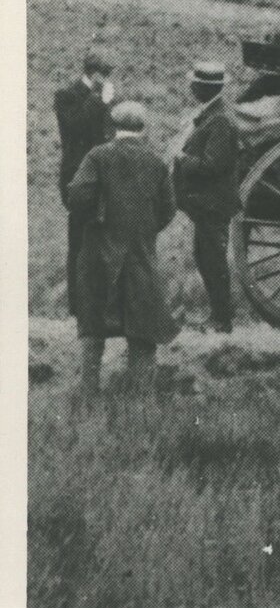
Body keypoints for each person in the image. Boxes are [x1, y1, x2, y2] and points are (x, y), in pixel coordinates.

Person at [64, 100, 178, 394]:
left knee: (93, 330)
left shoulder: (98, 156)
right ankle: (140, 401)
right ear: (143, 129)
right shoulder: (156, 163)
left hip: (100, 253)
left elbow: (77, 198)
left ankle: (88, 394)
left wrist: (97, 222)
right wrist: (144, 231)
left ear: (112, 127)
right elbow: (168, 209)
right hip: (140, 254)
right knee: (143, 331)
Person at [170, 60, 241, 332]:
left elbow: (213, 165)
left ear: (205, 88)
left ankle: (222, 320)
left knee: (213, 260)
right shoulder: (213, 115)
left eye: (194, 85)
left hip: (214, 205)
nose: (190, 88)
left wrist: (184, 159)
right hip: (206, 205)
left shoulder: (220, 120)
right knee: (206, 258)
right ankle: (218, 315)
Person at [53, 50, 115, 317]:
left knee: (103, 240)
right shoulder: (66, 95)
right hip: (76, 178)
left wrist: (107, 103)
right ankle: (77, 307)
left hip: (103, 176)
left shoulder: (103, 98)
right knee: (78, 241)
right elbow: (74, 127)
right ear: (94, 73)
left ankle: (100, 305)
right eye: (104, 74)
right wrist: (99, 101)